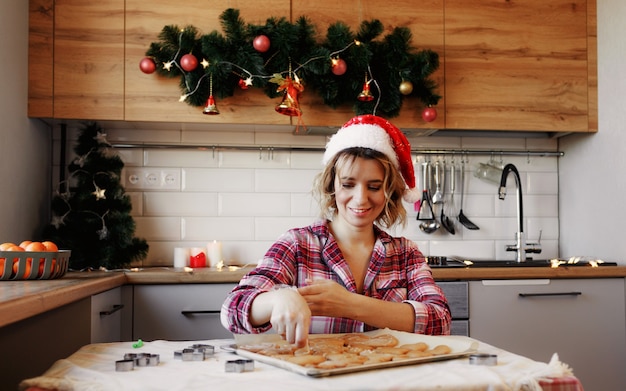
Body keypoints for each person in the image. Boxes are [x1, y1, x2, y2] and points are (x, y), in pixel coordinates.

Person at [220, 114, 451, 348]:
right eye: (348, 185)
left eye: (374, 186)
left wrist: (349, 304)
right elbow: (232, 310)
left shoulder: (405, 253)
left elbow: (439, 320)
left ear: (388, 191)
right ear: (332, 186)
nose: (360, 199)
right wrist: (277, 299)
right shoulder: (297, 244)